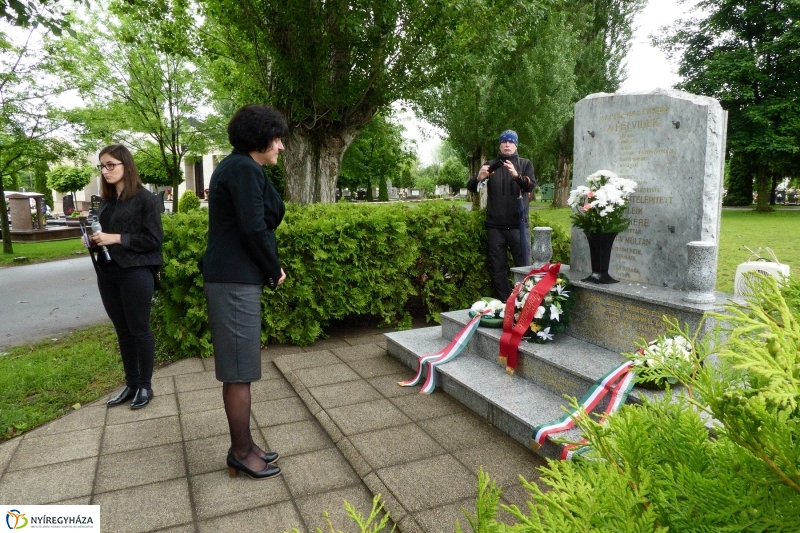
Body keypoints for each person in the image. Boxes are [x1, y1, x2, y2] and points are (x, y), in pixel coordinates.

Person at [201, 104, 287, 480]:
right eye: (278, 138)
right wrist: (274, 268)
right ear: (260, 138)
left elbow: (256, 220)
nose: (281, 147)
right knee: (238, 372)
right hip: (234, 282)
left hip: (234, 278)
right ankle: (239, 452)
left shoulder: (241, 167)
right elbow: (254, 229)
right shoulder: (242, 169)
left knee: (242, 369)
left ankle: (247, 445)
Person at [90, 144, 164, 410]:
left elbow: (153, 240)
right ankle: (131, 383)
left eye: (111, 165)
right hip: (108, 272)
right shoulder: (107, 203)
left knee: (139, 330)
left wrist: (116, 238)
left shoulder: (146, 199)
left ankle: (145, 385)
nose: (106, 170)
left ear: (126, 166)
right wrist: (95, 242)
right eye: (102, 166)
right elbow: (105, 235)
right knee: (122, 331)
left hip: (136, 272)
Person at [467, 130, 535, 302]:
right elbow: (472, 188)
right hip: (495, 227)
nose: (507, 144)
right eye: (504, 141)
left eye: (511, 142)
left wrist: (516, 176)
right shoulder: (491, 165)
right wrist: (479, 178)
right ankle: (506, 304)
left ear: (516, 145)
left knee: (524, 268)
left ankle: (523, 305)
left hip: (518, 226)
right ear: (499, 145)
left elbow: (530, 187)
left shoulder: (525, 164)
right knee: (497, 269)